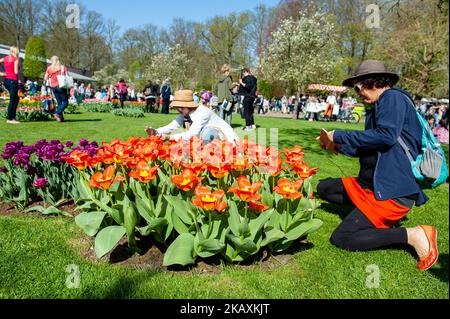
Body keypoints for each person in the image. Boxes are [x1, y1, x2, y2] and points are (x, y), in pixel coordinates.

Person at [316, 60, 438, 271]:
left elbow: (386, 136)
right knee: (323, 188)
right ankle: (366, 215)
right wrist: (337, 146)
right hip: (370, 185)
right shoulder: (378, 107)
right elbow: (369, 147)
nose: (358, 93)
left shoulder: (392, 98)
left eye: (358, 87)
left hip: (392, 191)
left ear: (372, 81)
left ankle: (412, 235)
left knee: (342, 238)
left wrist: (341, 134)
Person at [145, 89, 239, 145]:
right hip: (212, 139)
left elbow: (192, 133)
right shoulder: (186, 112)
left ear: (187, 105)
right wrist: (156, 131)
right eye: (177, 108)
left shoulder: (203, 112)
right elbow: (173, 125)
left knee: (204, 134)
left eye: (180, 108)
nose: (179, 111)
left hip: (228, 140)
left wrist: (169, 137)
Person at [44, 55, 69, 122]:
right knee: (65, 102)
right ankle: (57, 113)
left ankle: (61, 119)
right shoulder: (62, 67)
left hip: (53, 87)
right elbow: (67, 76)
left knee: (59, 103)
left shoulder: (49, 68)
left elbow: (45, 78)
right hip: (61, 86)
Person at [0, 46, 20, 124]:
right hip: (13, 80)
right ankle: (10, 118)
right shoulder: (15, 59)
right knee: (13, 100)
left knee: (16, 99)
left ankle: (13, 117)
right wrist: (19, 68)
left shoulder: (5, 58)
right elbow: (16, 72)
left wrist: (2, 73)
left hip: (6, 81)